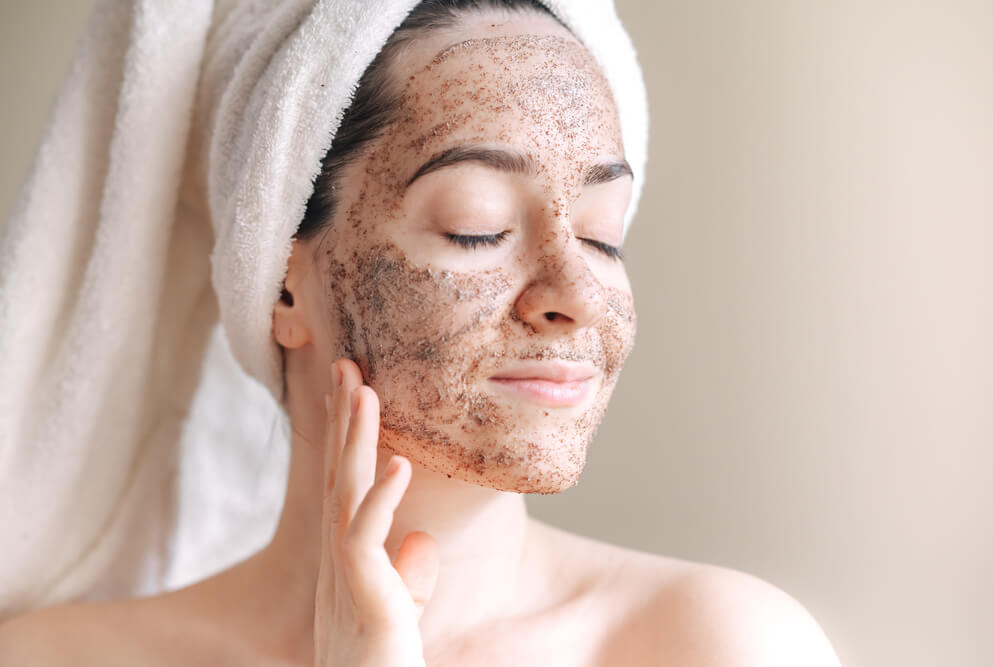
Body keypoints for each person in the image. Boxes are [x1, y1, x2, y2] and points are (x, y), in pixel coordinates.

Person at [0, 0, 841, 664]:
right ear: (282, 280)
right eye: (476, 227)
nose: (576, 293)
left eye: (602, 233)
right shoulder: (59, 657)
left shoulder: (718, 646)